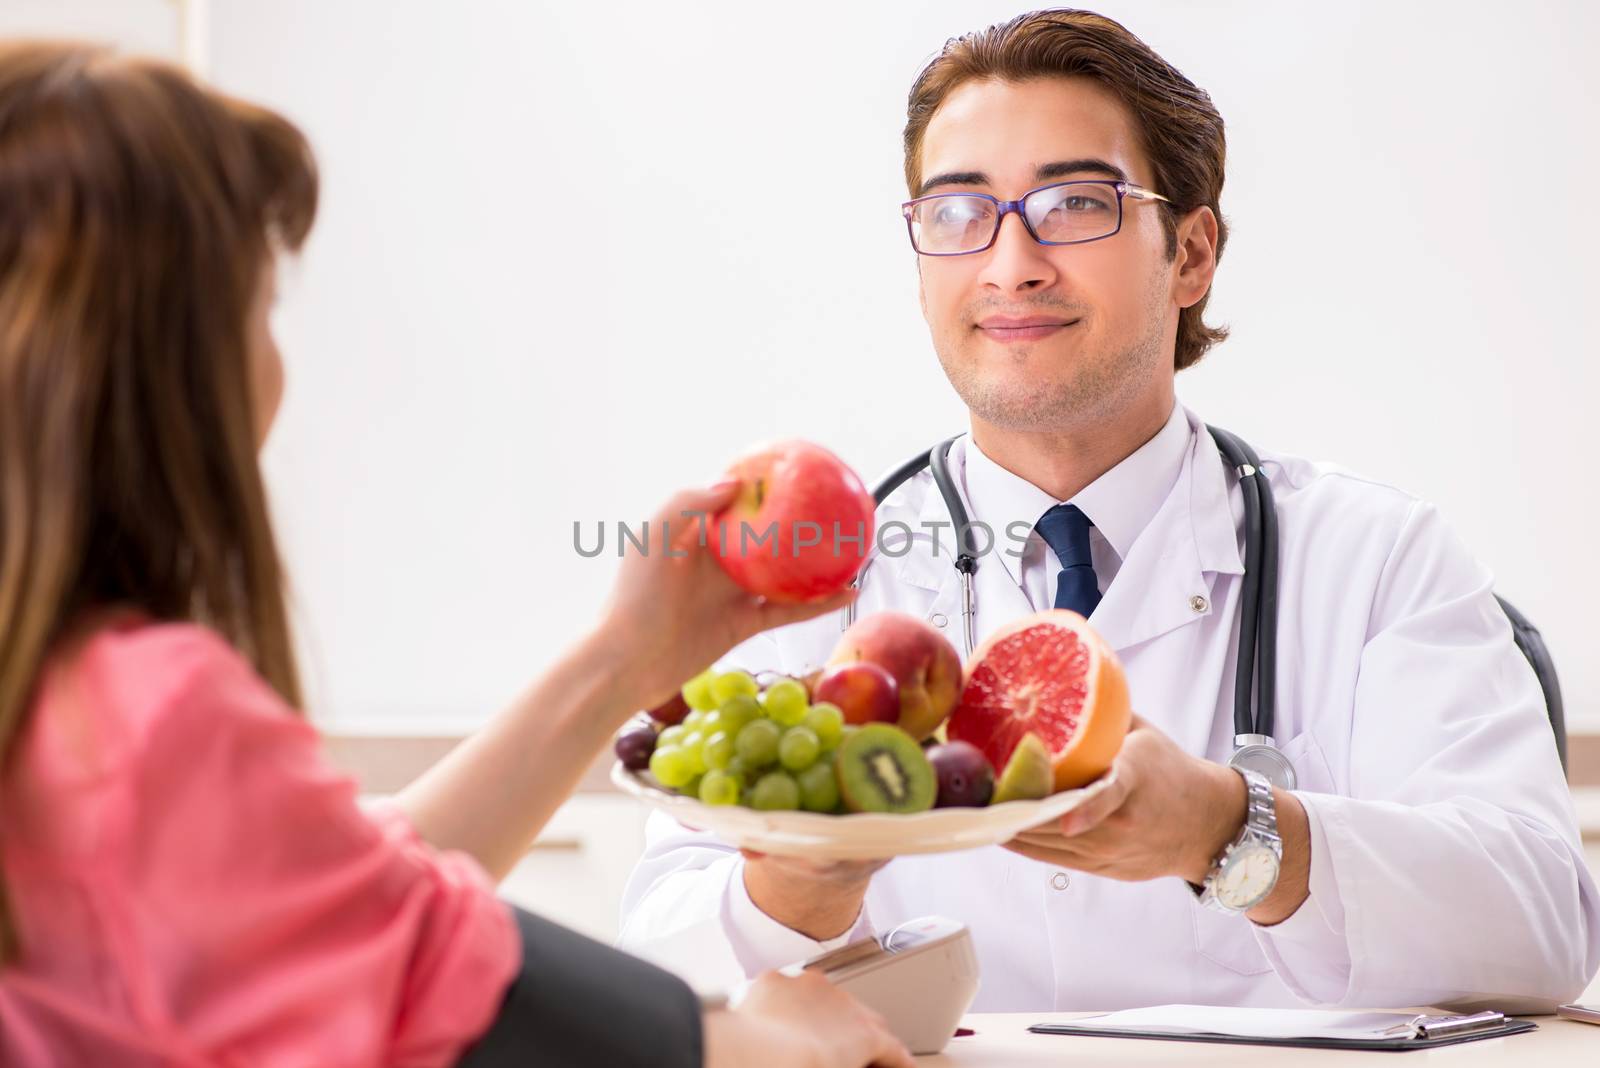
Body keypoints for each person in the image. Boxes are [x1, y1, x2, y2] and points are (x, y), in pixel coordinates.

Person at [618, 8, 1600, 1012]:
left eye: (1074, 202)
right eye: (957, 213)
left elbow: (1542, 924)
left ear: (1190, 254)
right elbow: (661, 953)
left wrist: (1234, 831)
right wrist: (795, 885)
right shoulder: (814, 582)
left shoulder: (1374, 557)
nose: (1009, 264)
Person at [0, 41, 915, 1068]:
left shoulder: (58, 694)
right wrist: (751, 1039)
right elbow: (457, 984)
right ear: (165, 358)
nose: (275, 364)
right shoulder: (146, 711)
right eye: (258, 308)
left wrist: (629, 656)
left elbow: (340, 895)